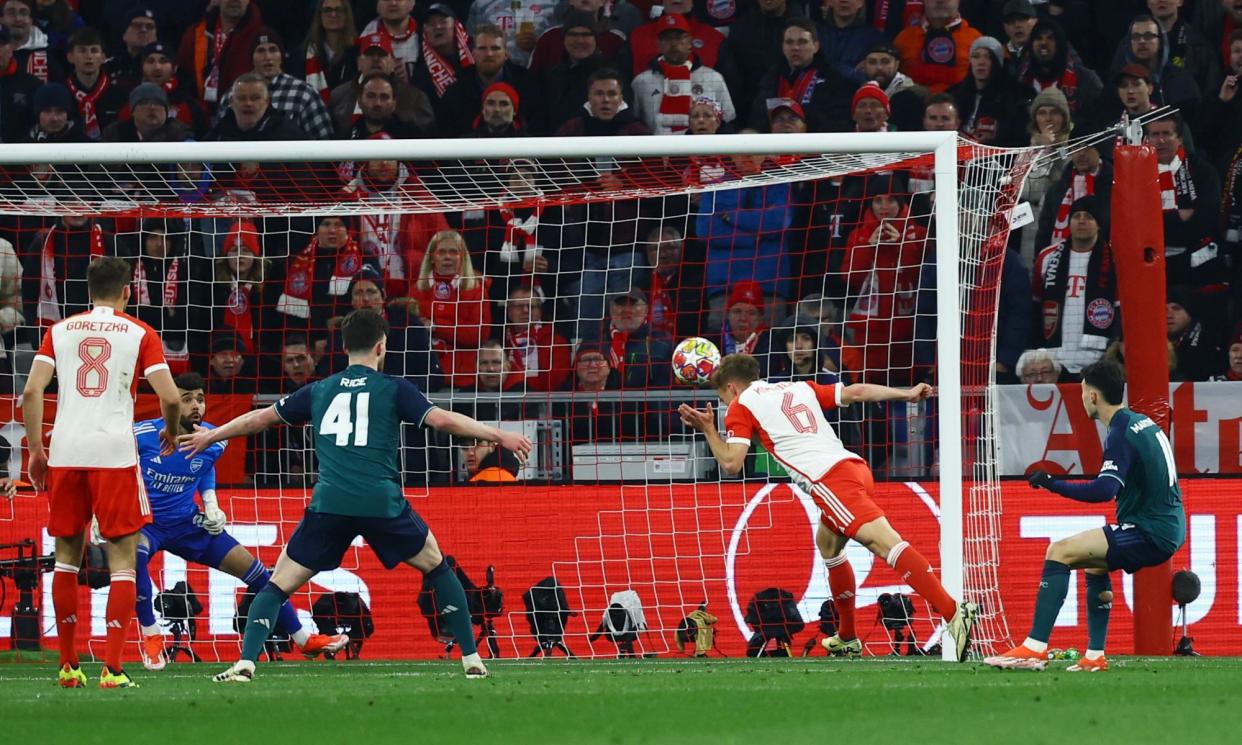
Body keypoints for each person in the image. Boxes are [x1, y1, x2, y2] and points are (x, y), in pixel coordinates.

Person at [178, 308, 533, 682]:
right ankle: (472, 659)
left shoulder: (318, 390)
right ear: (382, 347)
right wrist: (499, 435)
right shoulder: (394, 388)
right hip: (380, 502)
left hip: (330, 504)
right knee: (437, 567)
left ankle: (246, 663)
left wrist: (209, 435)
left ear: (344, 347)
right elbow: (442, 420)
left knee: (277, 584)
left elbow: (260, 418)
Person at [677, 353, 977, 660]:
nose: (726, 405)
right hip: (853, 466)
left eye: (723, 398)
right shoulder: (797, 388)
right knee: (829, 545)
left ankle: (953, 612)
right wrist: (906, 393)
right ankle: (847, 637)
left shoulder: (741, 405)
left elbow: (730, 462)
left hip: (830, 481)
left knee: (887, 544)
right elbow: (855, 392)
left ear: (731, 388)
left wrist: (708, 430)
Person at [22, 257, 183, 689]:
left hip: (66, 450)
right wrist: (170, 430)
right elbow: (170, 396)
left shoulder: (59, 330)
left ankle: (68, 665)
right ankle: (112, 669)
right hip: (113, 452)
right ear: (128, 291)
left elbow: (32, 390)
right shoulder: (140, 332)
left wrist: (37, 451)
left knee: (67, 560)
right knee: (123, 563)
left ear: (88, 290)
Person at [131, 372, 348, 671]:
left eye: (201, 398)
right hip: (146, 522)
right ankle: (151, 636)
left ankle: (303, 639)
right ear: (167, 402)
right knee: (133, 559)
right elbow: (111, 469)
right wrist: (98, 512)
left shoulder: (214, 440)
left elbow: (203, 468)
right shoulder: (140, 435)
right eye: (186, 399)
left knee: (260, 574)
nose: (196, 405)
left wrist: (210, 503)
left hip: (186, 524)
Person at [986, 359, 1186, 672]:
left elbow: (1104, 490)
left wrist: (1053, 484)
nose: (1081, 398)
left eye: (1082, 392)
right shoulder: (1141, 422)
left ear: (1093, 396)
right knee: (1094, 566)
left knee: (1060, 551)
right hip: (1166, 526)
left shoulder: (1121, 432)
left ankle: (1034, 648)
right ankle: (1094, 656)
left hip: (1150, 529)